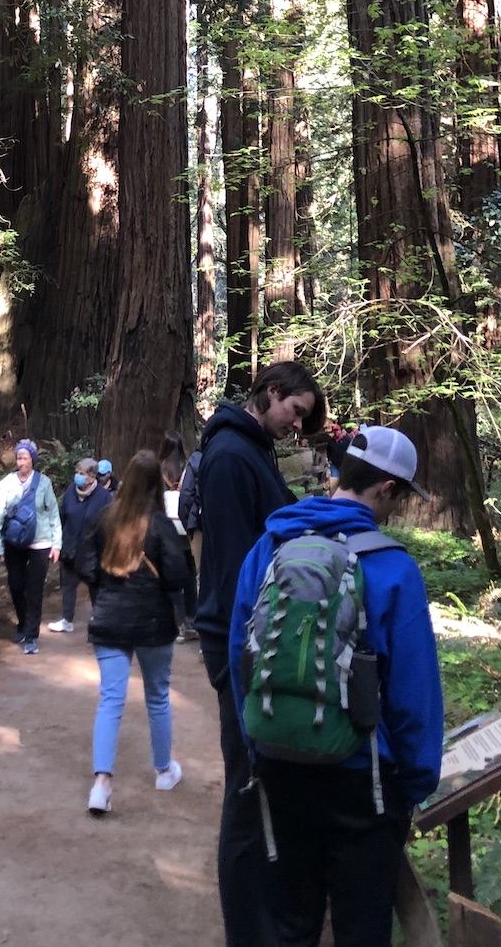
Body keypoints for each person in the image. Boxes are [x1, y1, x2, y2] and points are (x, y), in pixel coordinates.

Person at [228, 426, 443, 947]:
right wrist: (414, 785)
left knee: (292, 924)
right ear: (387, 488)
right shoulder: (393, 568)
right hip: (363, 782)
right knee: (362, 929)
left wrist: (259, 740)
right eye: (401, 498)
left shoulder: (270, 545)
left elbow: (241, 656)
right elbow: (414, 696)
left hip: (280, 763)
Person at [195, 360, 327, 947]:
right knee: (246, 793)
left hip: (258, 642)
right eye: (295, 412)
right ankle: (246, 933)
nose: (297, 425)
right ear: (271, 394)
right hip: (242, 645)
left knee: (263, 785)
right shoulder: (229, 456)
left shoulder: (253, 450)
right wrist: (234, 661)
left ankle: (265, 919)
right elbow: (230, 564)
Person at [76, 450, 194, 815]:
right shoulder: (160, 526)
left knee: (111, 699)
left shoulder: (104, 519)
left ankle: (101, 784)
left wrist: (104, 592)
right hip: (153, 624)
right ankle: (163, 770)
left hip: (110, 620)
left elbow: (85, 564)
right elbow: (177, 577)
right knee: (157, 695)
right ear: (156, 484)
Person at [0, 438, 62, 654]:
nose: (21, 462)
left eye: (25, 458)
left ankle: (31, 635)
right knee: (16, 585)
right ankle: (22, 622)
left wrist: (56, 544)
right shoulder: (6, 484)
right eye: (19, 458)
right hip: (14, 542)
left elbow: (53, 514)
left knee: (34, 590)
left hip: (40, 542)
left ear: (33, 460)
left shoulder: (44, 483)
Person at [48, 456, 112, 633]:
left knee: (95, 587)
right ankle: (66, 620)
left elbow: (108, 525)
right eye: (77, 473)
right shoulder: (70, 491)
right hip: (70, 548)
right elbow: (62, 516)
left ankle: (99, 621)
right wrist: (58, 541)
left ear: (92, 477)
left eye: (82, 474)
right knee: (68, 585)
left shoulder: (104, 497)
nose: (78, 476)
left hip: (92, 552)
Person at [158, 430, 198, 641]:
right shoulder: (188, 466)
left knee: (171, 575)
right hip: (185, 528)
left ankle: (179, 621)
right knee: (190, 575)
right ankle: (192, 618)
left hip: (166, 530)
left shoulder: (159, 468)